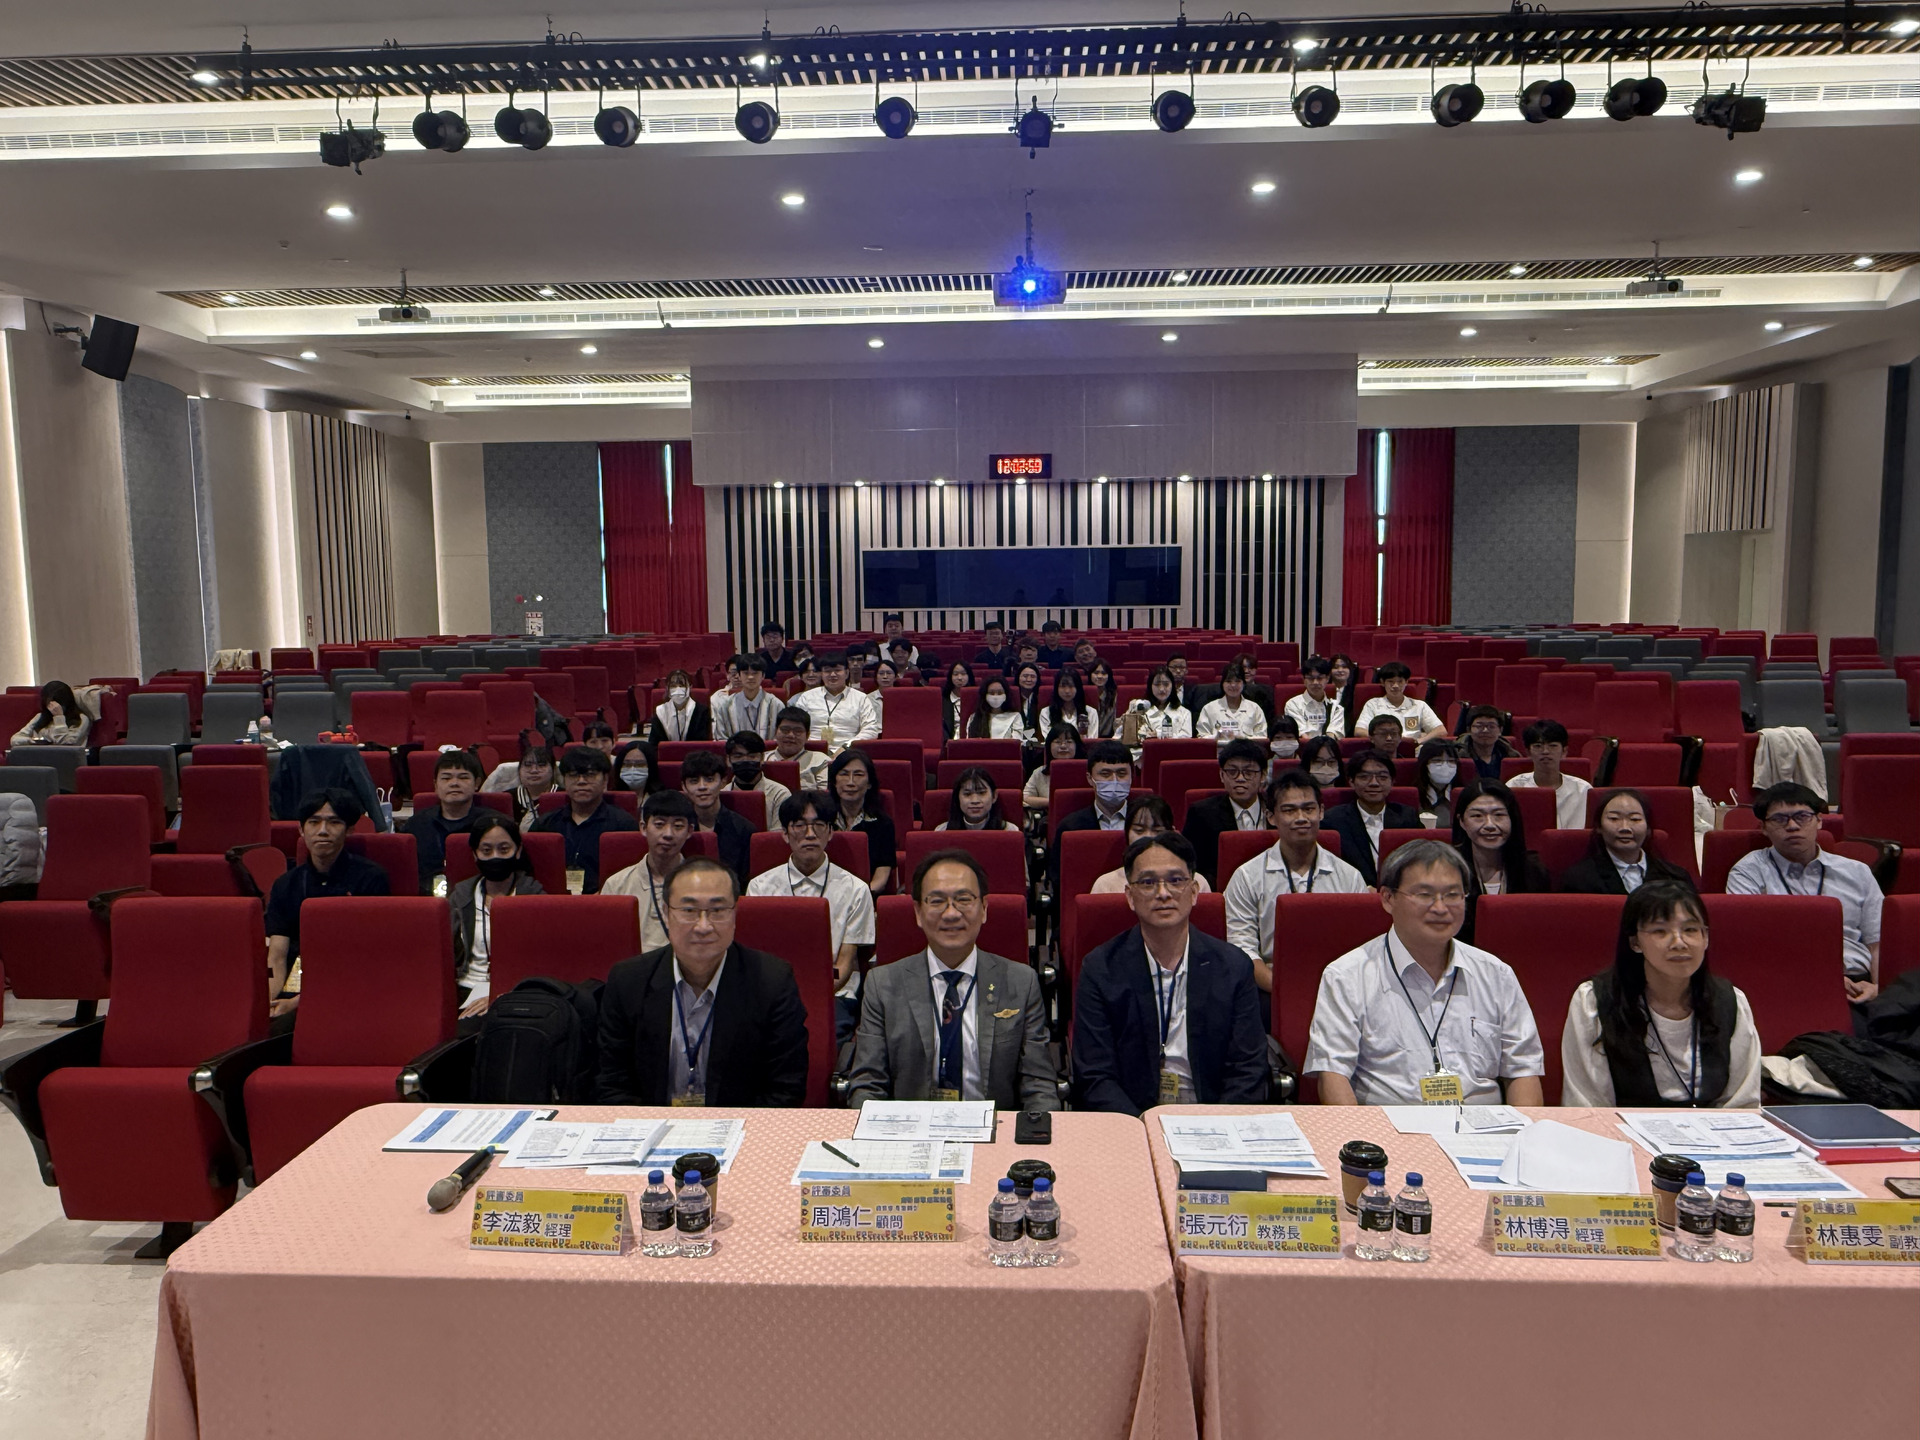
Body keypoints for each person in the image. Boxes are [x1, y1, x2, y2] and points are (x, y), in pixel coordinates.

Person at [1306, 839, 1545, 1107]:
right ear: (1388, 899)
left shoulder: (1496, 974)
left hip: (1483, 1126)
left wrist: (1523, 1132)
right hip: (1388, 1125)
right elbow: (1333, 1075)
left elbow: (1523, 1070)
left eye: (1452, 895)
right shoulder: (1346, 976)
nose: (1440, 908)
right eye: (1424, 895)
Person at [1071, 831, 1268, 1113]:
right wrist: (1140, 1126)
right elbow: (1095, 1074)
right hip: (1132, 1119)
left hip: (1213, 1115)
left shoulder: (1233, 966)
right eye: (1148, 882)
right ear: (1130, 896)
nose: (1163, 893)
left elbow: (1248, 1069)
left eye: (1175, 881)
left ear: (1194, 891)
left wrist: (1217, 1124)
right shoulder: (1101, 968)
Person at [847, 849, 1059, 1108]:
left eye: (963, 899)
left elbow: (1038, 1085)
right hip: (912, 1127)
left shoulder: (1020, 982)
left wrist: (1032, 1130)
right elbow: (868, 1084)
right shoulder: (883, 984)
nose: (951, 913)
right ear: (918, 912)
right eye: (937, 901)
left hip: (995, 1125)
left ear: (984, 908)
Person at [594, 857, 810, 1106]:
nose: (703, 926)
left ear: (734, 914)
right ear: (666, 913)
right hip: (651, 1123)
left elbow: (786, 1090)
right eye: (689, 911)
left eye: (717, 911)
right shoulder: (628, 981)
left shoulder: (772, 982)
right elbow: (611, 1085)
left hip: (740, 1124)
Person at [1562, 880, 1762, 1108]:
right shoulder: (1594, 1002)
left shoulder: (1730, 1001)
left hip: (1717, 1129)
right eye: (1660, 931)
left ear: (1705, 937)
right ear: (1635, 942)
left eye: (1690, 930)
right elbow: (1588, 1105)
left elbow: (1743, 1104)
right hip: (1620, 1128)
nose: (1679, 943)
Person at [1727, 781, 1882, 1001]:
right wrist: (1823, 978)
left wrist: (1878, 987)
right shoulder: (1748, 873)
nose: (1792, 826)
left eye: (1802, 816)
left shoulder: (1857, 872)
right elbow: (1751, 943)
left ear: (1819, 821)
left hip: (1859, 982)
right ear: (1763, 827)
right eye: (1779, 819)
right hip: (1788, 983)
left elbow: (1877, 942)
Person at [747, 790, 877, 1036]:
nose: (810, 834)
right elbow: (758, 960)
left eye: (818, 825)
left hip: (835, 994)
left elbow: (845, 963)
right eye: (799, 825)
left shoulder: (856, 889)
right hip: (775, 994)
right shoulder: (760, 887)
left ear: (830, 832)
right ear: (784, 833)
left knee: (826, 1035)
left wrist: (814, 996)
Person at [1224, 770, 1368, 991]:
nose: (1301, 818)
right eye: (1289, 810)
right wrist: (1281, 990)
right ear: (1271, 817)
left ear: (1321, 812)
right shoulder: (1247, 877)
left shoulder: (1350, 877)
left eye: (1308, 809)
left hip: (1338, 985)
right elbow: (1242, 948)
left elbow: (1362, 945)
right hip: (1269, 985)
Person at [264, 789, 391, 1018]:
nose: (322, 830)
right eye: (314, 822)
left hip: (351, 986)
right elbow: (277, 956)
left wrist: (298, 1003)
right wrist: (269, 1003)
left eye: (334, 822)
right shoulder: (286, 884)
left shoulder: (371, 878)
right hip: (297, 981)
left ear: (349, 830)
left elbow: (367, 957)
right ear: (301, 829)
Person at [449, 813, 544, 1019]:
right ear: (475, 854)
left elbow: (541, 962)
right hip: (465, 990)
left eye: (504, 849)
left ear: (518, 851)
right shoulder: (460, 897)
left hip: (517, 991)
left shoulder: (536, 898)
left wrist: (501, 994)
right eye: (486, 850)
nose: (495, 857)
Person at [530, 745, 638, 893]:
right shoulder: (544, 824)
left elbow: (632, 875)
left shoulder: (624, 825)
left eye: (590, 774)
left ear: (605, 780)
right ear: (564, 780)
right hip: (552, 901)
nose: (581, 781)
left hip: (607, 900)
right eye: (573, 775)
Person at [1451, 779, 1549, 941]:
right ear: (1462, 821)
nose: (1489, 825)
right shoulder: (1447, 870)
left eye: (1499, 815)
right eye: (1477, 816)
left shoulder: (1534, 871)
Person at [603, 791, 699, 954]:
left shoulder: (703, 884)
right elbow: (607, 943)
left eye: (678, 826)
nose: (668, 834)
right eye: (659, 824)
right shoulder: (616, 884)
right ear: (643, 827)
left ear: (690, 831)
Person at [1558, 788, 1694, 895]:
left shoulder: (1676, 878)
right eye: (1614, 819)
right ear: (1599, 827)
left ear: (1648, 828)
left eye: (1635, 819)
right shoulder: (1579, 879)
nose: (1625, 828)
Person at [1180, 739, 1271, 887]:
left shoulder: (1276, 809)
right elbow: (1191, 865)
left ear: (1263, 775)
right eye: (1232, 772)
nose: (1240, 778)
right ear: (1222, 775)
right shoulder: (1202, 814)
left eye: (1248, 772)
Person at [1324, 750, 1422, 887]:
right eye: (1364, 777)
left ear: (1392, 781)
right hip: (1354, 892)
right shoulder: (1334, 821)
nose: (1374, 783)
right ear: (1351, 781)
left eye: (1382, 777)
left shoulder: (1407, 816)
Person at [1092, 797, 1212, 894]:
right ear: (1127, 834)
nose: (1148, 838)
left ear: (1172, 833)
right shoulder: (1105, 885)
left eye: (1157, 831)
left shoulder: (1197, 882)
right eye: (1139, 831)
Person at [404, 748, 485, 891]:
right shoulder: (416, 824)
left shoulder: (492, 823)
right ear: (435, 785)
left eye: (463, 777)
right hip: (425, 896)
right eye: (446, 778)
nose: (454, 783)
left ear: (477, 783)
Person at [678, 748, 754, 889]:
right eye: (694, 781)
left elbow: (746, 882)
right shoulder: (678, 829)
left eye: (709, 780)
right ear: (684, 786)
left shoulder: (744, 829)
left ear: (723, 781)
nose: (702, 787)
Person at [828, 747, 897, 895]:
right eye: (844, 774)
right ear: (834, 781)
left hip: (867, 896)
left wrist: (858, 897)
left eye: (858, 775)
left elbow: (881, 877)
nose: (851, 782)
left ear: (869, 783)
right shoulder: (822, 820)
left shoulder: (883, 824)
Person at [1508, 719, 1592, 830]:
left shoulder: (1583, 789)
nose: (1545, 751)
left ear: (1564, 751)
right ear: (1528, 752)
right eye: (1538, 746)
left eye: (1553, 746)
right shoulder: (1514, 786)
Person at [792, 652, 880, 756]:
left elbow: (871, 729)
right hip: (811, 751)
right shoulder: (807, 697)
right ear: (821, 674)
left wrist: (847, 747)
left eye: (837, 670)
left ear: (846, 673)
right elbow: (795, 725)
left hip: (849, 753)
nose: (832, 675)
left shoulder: (860, 698)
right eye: (827, 671)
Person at [1356, 661, 1445, 742]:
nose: (1395, 686)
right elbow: (1359, 730)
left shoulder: (1419, 705)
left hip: (1413, 748)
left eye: (1400, 682)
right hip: (1383, 748)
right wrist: (1382, 738)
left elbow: (1441, 731)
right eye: (1391, 682)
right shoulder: (1372, 704)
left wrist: (1419, 741)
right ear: (1382, 682)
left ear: (1406, 682)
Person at [722, 729, 792, 830]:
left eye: (752, 756)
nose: (745, 760)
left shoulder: (779, 794)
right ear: (728, 760)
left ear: (762, 758)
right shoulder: (722, 795)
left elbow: (779, 834)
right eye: (738, 756)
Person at [715, 653, 783, 742]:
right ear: (739, 675)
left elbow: (779, 740)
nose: (750, 677)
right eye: (746, 673)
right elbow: (721, 739)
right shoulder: (726, 706)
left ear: (763, 675)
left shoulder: (776, 705)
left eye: (755, 673)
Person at [1197, 662, 1268, 743]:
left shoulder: (1255, 709)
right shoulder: (1209, 708)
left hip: (1246, 750)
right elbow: (1201, 738)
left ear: (1243, 684)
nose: (1233, 685)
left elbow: (1262, 739)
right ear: (1222, 684)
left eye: (1237, 681)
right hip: (1218, 750)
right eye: (1228, 681)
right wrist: (1216, 737)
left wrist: (1242, 739)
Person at [1024, 726, 1084, 813]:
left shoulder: (1087, 771)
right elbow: (1025, 798)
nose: (1063, 746)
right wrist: (1053, 802)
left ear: (1077, 745)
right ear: (1049, 746)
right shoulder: (1039, 772)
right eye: (1058, 742)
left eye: (1069, 742)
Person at [936, 766, 1017, 831]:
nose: (975, 801)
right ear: (957, 798)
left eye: (982, 793)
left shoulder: (1010, 831)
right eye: (967, 794)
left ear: (994, 796)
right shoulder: (942, 831)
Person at [11, 680, 90, 745]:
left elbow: (66, 743)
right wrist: (31, 741)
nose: (53, 708)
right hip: (40, 755)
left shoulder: (81, 719)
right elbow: (15, 739)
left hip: (66, 756)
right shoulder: (40, 717)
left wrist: (59, 717)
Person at [1284, 657, 1347, 740]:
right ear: (1304, 679)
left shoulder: (1336, 707)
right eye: (1310, 678)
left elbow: (1333, 735)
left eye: (1320, 678)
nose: (1315, 682)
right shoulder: (1293, 704)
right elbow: (1301, 735)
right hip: (1304, 747)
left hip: (1327, 746)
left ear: (1327, 679)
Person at [1128, 666, 1194, 742]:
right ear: (1150, 686)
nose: (1162, 689)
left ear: (1172, 686)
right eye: (1157, 684)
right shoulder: (1139, 710)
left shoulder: (1184, 713)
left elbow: (1186, 739)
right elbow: (1131, 737)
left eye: (1166, 684)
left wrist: (1159, 735)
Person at [771, 705, 830, 790]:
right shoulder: (762, 760)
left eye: (798, 731)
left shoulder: (821, 761)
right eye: (785, 730)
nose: (791, 735)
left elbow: (825, 794)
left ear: (807, 735)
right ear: (775, 732)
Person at [1041, 666, 1107, 740]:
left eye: (1071, 686)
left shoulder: (1091, 712)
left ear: (1078, 688)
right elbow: (1048, 740)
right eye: (1063, 686)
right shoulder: (1046, 712)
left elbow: (1091, 740)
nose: (1067, 691)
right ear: (1057, 688)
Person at [1412, 738, 1462, 830]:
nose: (1445, 766)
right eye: (1437, 760)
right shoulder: (1413, 797)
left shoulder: (1463, 796)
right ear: (1424, 764)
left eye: (1451, 761)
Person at [648, 670, 710, 744]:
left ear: (690, 687)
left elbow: (702, 742)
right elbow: (654, 743)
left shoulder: (702, 711)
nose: (678, 689)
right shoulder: (660, 711)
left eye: (682, 686)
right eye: (673, 686)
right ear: (667, 688)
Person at [1461, 705, 1521, 781]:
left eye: (1491, 726)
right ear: (1469, 730)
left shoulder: (1511, 756)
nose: (1485, 730)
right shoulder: (1458, 755)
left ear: (1500, 730)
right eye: (1479, 726)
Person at [965, 675, 1030, 743]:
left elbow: (1016, 744)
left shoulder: (1015, 716)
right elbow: (971, 744)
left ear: (1006, 695)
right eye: (991, 693)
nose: (995, 697)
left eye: (1000, 693)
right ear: (985, 695)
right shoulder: (974, 718)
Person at [940, 660, 976, 739]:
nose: (959, 678)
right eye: (955, 674)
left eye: (963, 674)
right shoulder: (942, 699)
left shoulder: (977, 698)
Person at [1010, 661, 1047, 739]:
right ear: (1018, 677)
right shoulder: (1011, 697)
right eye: (1025, 676)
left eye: (1033, 676)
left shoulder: (1042, 698)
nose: (1029, 679)